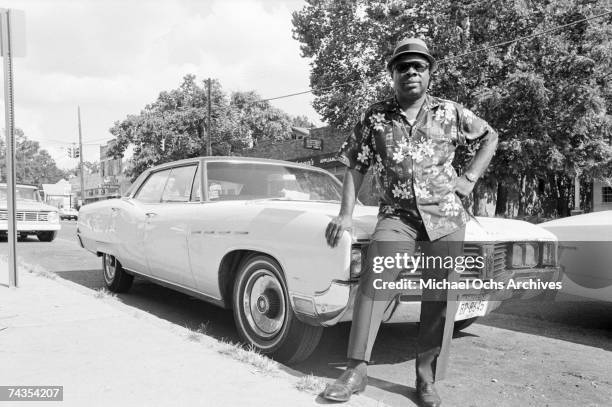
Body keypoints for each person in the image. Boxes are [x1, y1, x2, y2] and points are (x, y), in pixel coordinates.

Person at [322, 38, 498, 407]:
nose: (411, 72)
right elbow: (355, 164)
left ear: (430, 73)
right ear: (393, 74)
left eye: (419, 66)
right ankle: (356, 370)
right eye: (403, 66)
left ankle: (426, 380)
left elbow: (489, 136)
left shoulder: (450, 111)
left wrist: (469, 179)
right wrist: (345, 213)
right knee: (375, 282)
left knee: (440, 297)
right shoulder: (375, 117)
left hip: (446, 218)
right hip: (397, 217)